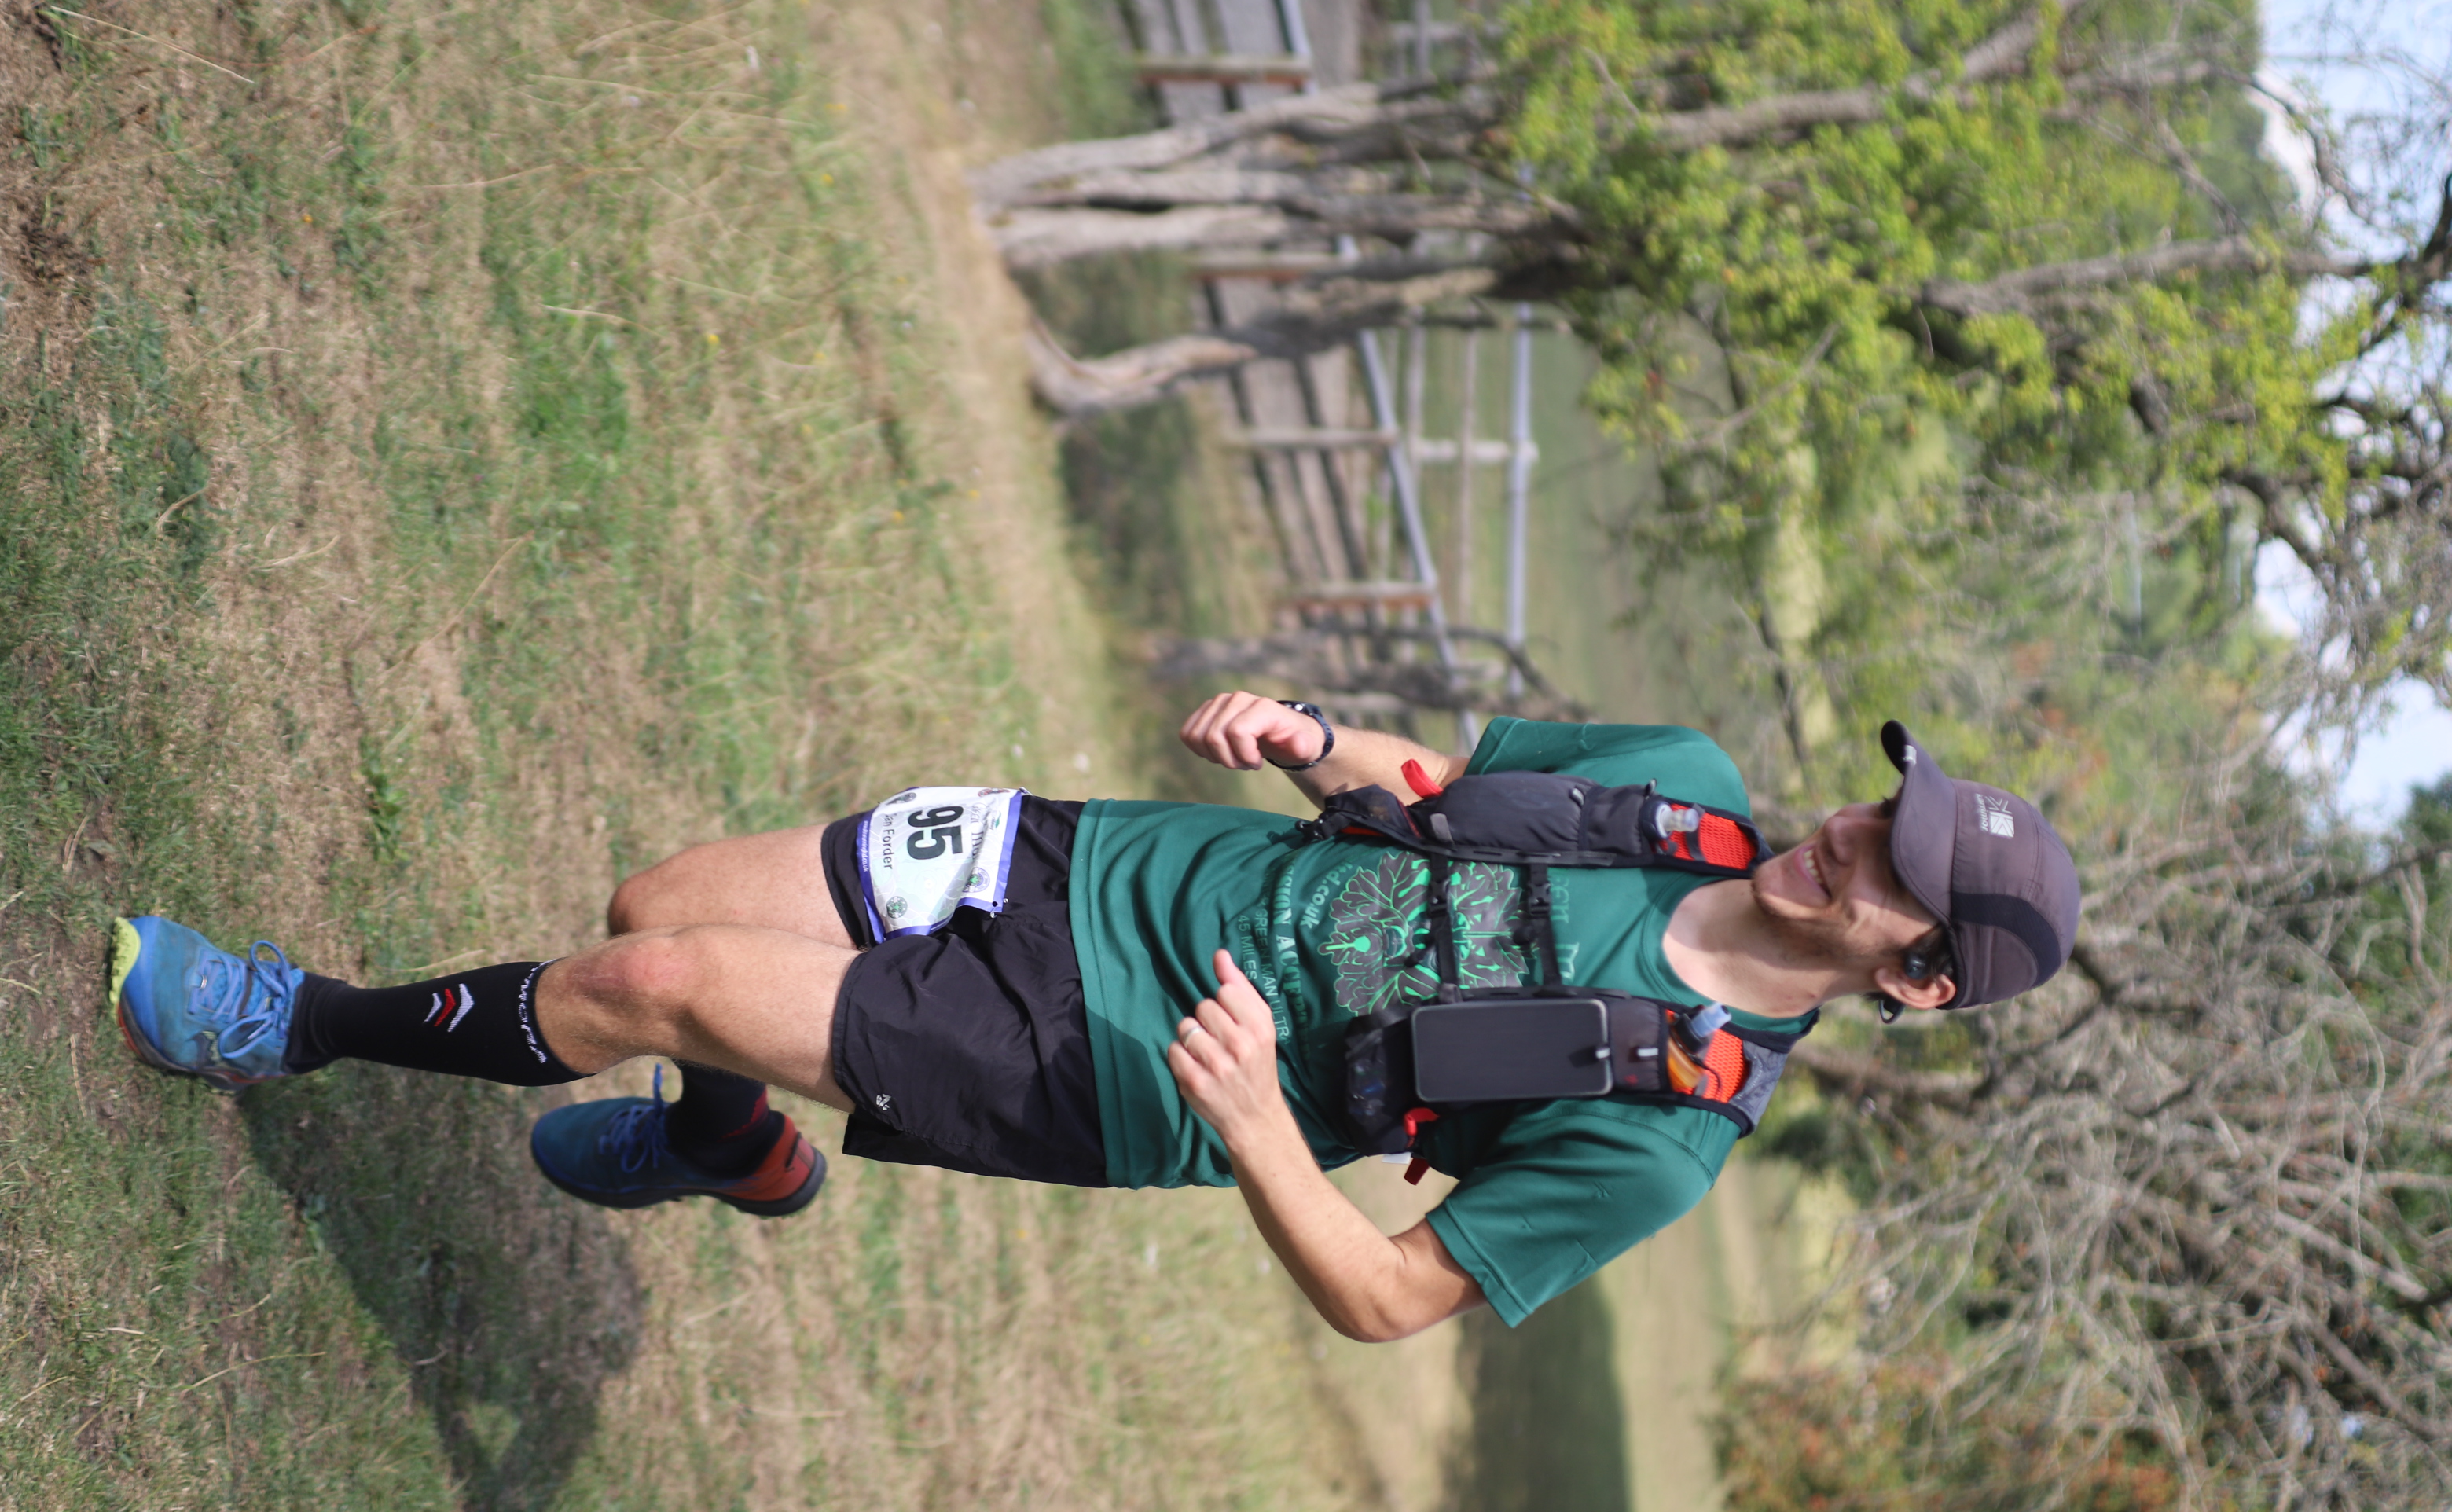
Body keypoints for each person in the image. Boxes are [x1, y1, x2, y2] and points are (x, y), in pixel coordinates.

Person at [110, 693, 2079, 1341]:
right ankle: (732, 1146)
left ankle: (284, 1020)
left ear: (1914, 973)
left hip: (1114, 1066)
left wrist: (1255, 1129)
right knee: (652, 909)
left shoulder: (1664, 1129)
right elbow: (1448, 772)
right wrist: (1319, 742)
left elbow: (1397, 1297)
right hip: (1092, 858)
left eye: (1895, 864)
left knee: (648, 985)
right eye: (1879, 804)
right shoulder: (1683, 775)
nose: (1847, 832)